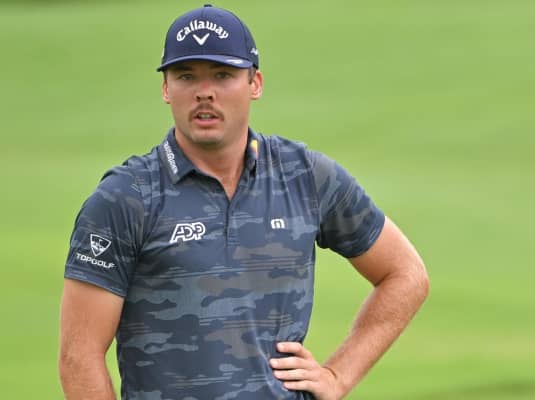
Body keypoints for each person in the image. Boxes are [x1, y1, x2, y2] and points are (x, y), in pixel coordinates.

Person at [59, 4, 429, 400]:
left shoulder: (304, 176)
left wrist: (338, 375)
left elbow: (405, 274)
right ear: (166, 89)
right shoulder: (125, 198)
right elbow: (78, 357)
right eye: (186, 76)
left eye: (223, 75)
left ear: (255, 83)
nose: (205, 91)